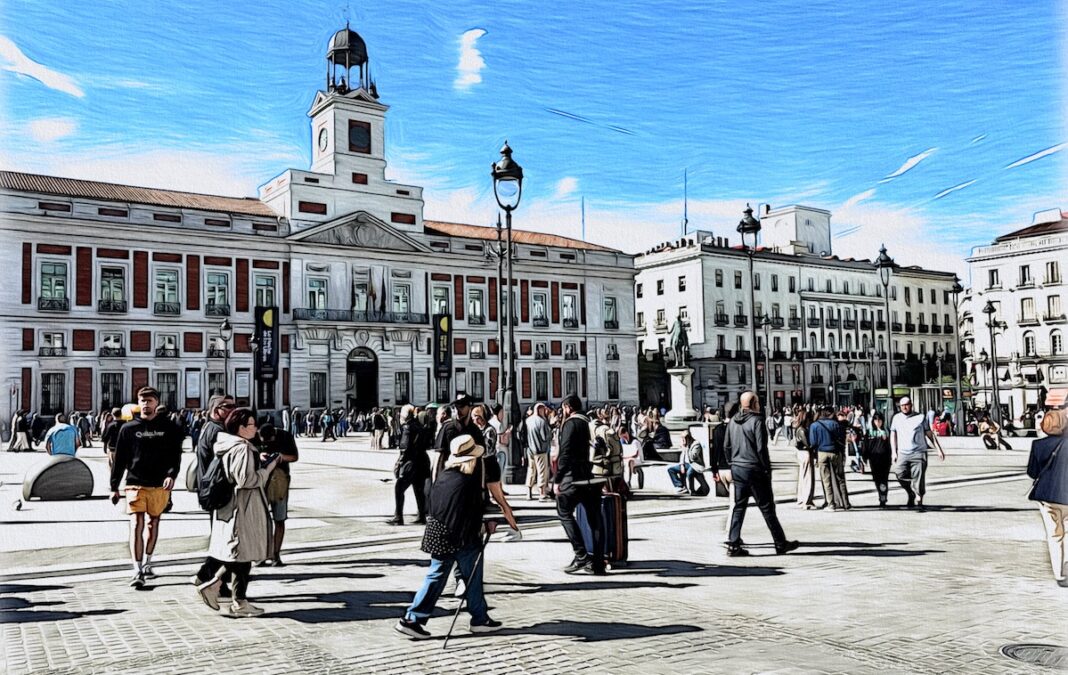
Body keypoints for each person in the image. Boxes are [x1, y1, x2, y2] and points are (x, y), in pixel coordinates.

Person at [395, 434, 504, 639]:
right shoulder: (467, 480)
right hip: (461, 535)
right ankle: (479, 620)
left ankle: (413, 618)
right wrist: (486, 523)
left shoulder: (445, 475)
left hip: (439, 531)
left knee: (437, 576)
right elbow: (472, 509)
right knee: (471, 576)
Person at [195, 408, 279, 617]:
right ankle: (234, 599)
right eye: (252, 425)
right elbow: (246, 480)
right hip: (243, 508)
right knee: (242, 555)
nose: (256, 428)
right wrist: (267, 469)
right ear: (241, 428)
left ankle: (222, 591)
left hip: (231, 507)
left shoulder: (228, 445)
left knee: (240, 556)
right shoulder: (242, 449)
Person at [109, 387, 183, 588]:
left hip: (159, 483)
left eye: (149, 401)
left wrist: (171, 475)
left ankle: (149, 561)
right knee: (136, 523)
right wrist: (114, 486)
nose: (145, 404)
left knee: (153, 524)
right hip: (135, 483)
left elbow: (175, 454)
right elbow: (120, 460)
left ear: (156, 403)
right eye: (142, 400)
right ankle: (137, 569)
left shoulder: (168, 427)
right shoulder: (128, 428)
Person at [724, 392, 798, 557]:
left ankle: (733, 543)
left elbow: (726, 446)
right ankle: (780, 543)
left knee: (738, 506)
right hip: (755, 469)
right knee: (767, 507)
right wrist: (766, 468)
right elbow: (761, 448)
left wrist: (732, 462)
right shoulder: (757, 421)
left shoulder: (733, 422)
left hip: (738, 468)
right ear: (754, 404)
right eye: (758, 401)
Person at [555, 394, 605, 575]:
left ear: (568, 407)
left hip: (574, 477)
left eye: (563, 408)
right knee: (595, 520)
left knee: (564, 512)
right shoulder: (590, 422)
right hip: (593, 476)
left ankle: (581, 555)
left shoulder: (571, 424)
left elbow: (565, 453)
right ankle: (598, 563)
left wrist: (557, 479)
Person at [1026, 411, 1068, 587]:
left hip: (1047, 498)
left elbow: (1032, 472)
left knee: (1054, 535)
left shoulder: (1038, 445)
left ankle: (1060, 575)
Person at [890, 396, 946, 510]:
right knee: (899, 473)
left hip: (918, 452)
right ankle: (910, 492)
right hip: (903, 452)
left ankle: (919, 497)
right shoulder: (896, 418)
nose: (904, 407)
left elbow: (930, 434)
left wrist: (939, 449)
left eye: (907, 404)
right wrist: (893, 452)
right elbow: (893, 434)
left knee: (918, 478)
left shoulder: (920, 417)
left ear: (911, 405)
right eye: (902, 406)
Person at [259, 421, 299, 565]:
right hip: (262, 482)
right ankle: (261, 555)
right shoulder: (255, 436)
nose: (266, 443)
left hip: (280, 481)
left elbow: (295, 457)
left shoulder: (285, 436)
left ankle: (276, 555)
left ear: (274, 435)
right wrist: (260, 456)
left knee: (279, 519)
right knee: (261, 521)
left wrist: (280, 457)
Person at [388, 404, 430, 526]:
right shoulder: (420, 426)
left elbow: (405, 447)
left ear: (405, 416)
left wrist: (399, 463)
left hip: (410, 462)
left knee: (399, 488)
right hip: (422, 461)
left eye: (401, 414)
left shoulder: (407, 427)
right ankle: (421, 515)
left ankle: (398, 516)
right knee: (418, 489)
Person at [809, 407, 850, 510]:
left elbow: (813, 442)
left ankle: (830, 503)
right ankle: (845, 503)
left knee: (826, 479)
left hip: (822, 452)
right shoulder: (836, 424)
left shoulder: (815, 425)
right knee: (840, 478)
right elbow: (841, 439)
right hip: (835, 452)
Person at [710, 405, 736, 538]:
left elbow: (714, 452)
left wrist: (714, 470)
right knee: (735, 504)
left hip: (721, 470)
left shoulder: (717, 429)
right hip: (733, 469)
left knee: (733, 502)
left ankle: (731, 532)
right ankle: (731, 533)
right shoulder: (736, 428)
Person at [525, 403, 552, 500]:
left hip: (530, 449)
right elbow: (545, 436)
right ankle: (541, 492)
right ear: (540, 410)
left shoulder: (528, 420)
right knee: (542, 471)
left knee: (531, 470)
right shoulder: (541, 421)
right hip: (540, 449)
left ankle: (529, 491)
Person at [866, 413, 893, 507]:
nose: (878, 423)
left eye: (880, 420)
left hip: (885, 458)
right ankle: (880, 494)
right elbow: (866, 446)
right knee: (877, 479)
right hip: (874, 459)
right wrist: (864, 457)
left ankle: (883, 497)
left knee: (884, 479)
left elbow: (891, 445)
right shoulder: (870, 432)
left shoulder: (886, 431)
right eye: (876, 420)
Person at [793, 410, 817, 509]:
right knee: (808, 477)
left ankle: (801, 498)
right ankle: (807, 501)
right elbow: (808, 444)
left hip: (800, 453)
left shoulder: (798, 429)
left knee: (802, 476)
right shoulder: (803, 430)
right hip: (806, 452)